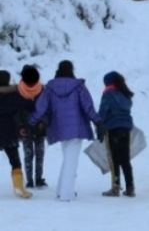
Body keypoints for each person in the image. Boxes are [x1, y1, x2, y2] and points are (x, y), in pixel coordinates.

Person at [28, 60, 103, 202]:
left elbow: (41, 108)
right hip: (77, 128)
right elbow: (88, 107)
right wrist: (98, 121)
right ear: (71, 70)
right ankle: (66, 194)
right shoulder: (79, 87)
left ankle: (60, 190)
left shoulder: (50, 88)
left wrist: (31, 123)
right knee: (71, 162)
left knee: (67, 160)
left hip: (60, 128)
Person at [98, 71, 135, 198]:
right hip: (126, 129)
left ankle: (115, 187)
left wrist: (99, 128)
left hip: (113, 128)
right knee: (125, 159)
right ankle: (130, 187)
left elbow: (103, 112)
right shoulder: (125, 94)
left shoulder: (108, 94)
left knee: (114, 160)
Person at [0, 70, 32, 199]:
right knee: (15, 161)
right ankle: (19, 187)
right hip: (9, 132)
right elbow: (25, 109)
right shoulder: (15, 95)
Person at [17, 65, 46, 189]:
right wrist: (43, 122)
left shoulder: (18, 90)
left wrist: (20, 127)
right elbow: (47, 109)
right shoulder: (42, 89)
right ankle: (36, 179)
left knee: (29, 155)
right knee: (38, 154)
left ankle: (32, 180)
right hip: (34, 128)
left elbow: (16, 111)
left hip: (28, 128)